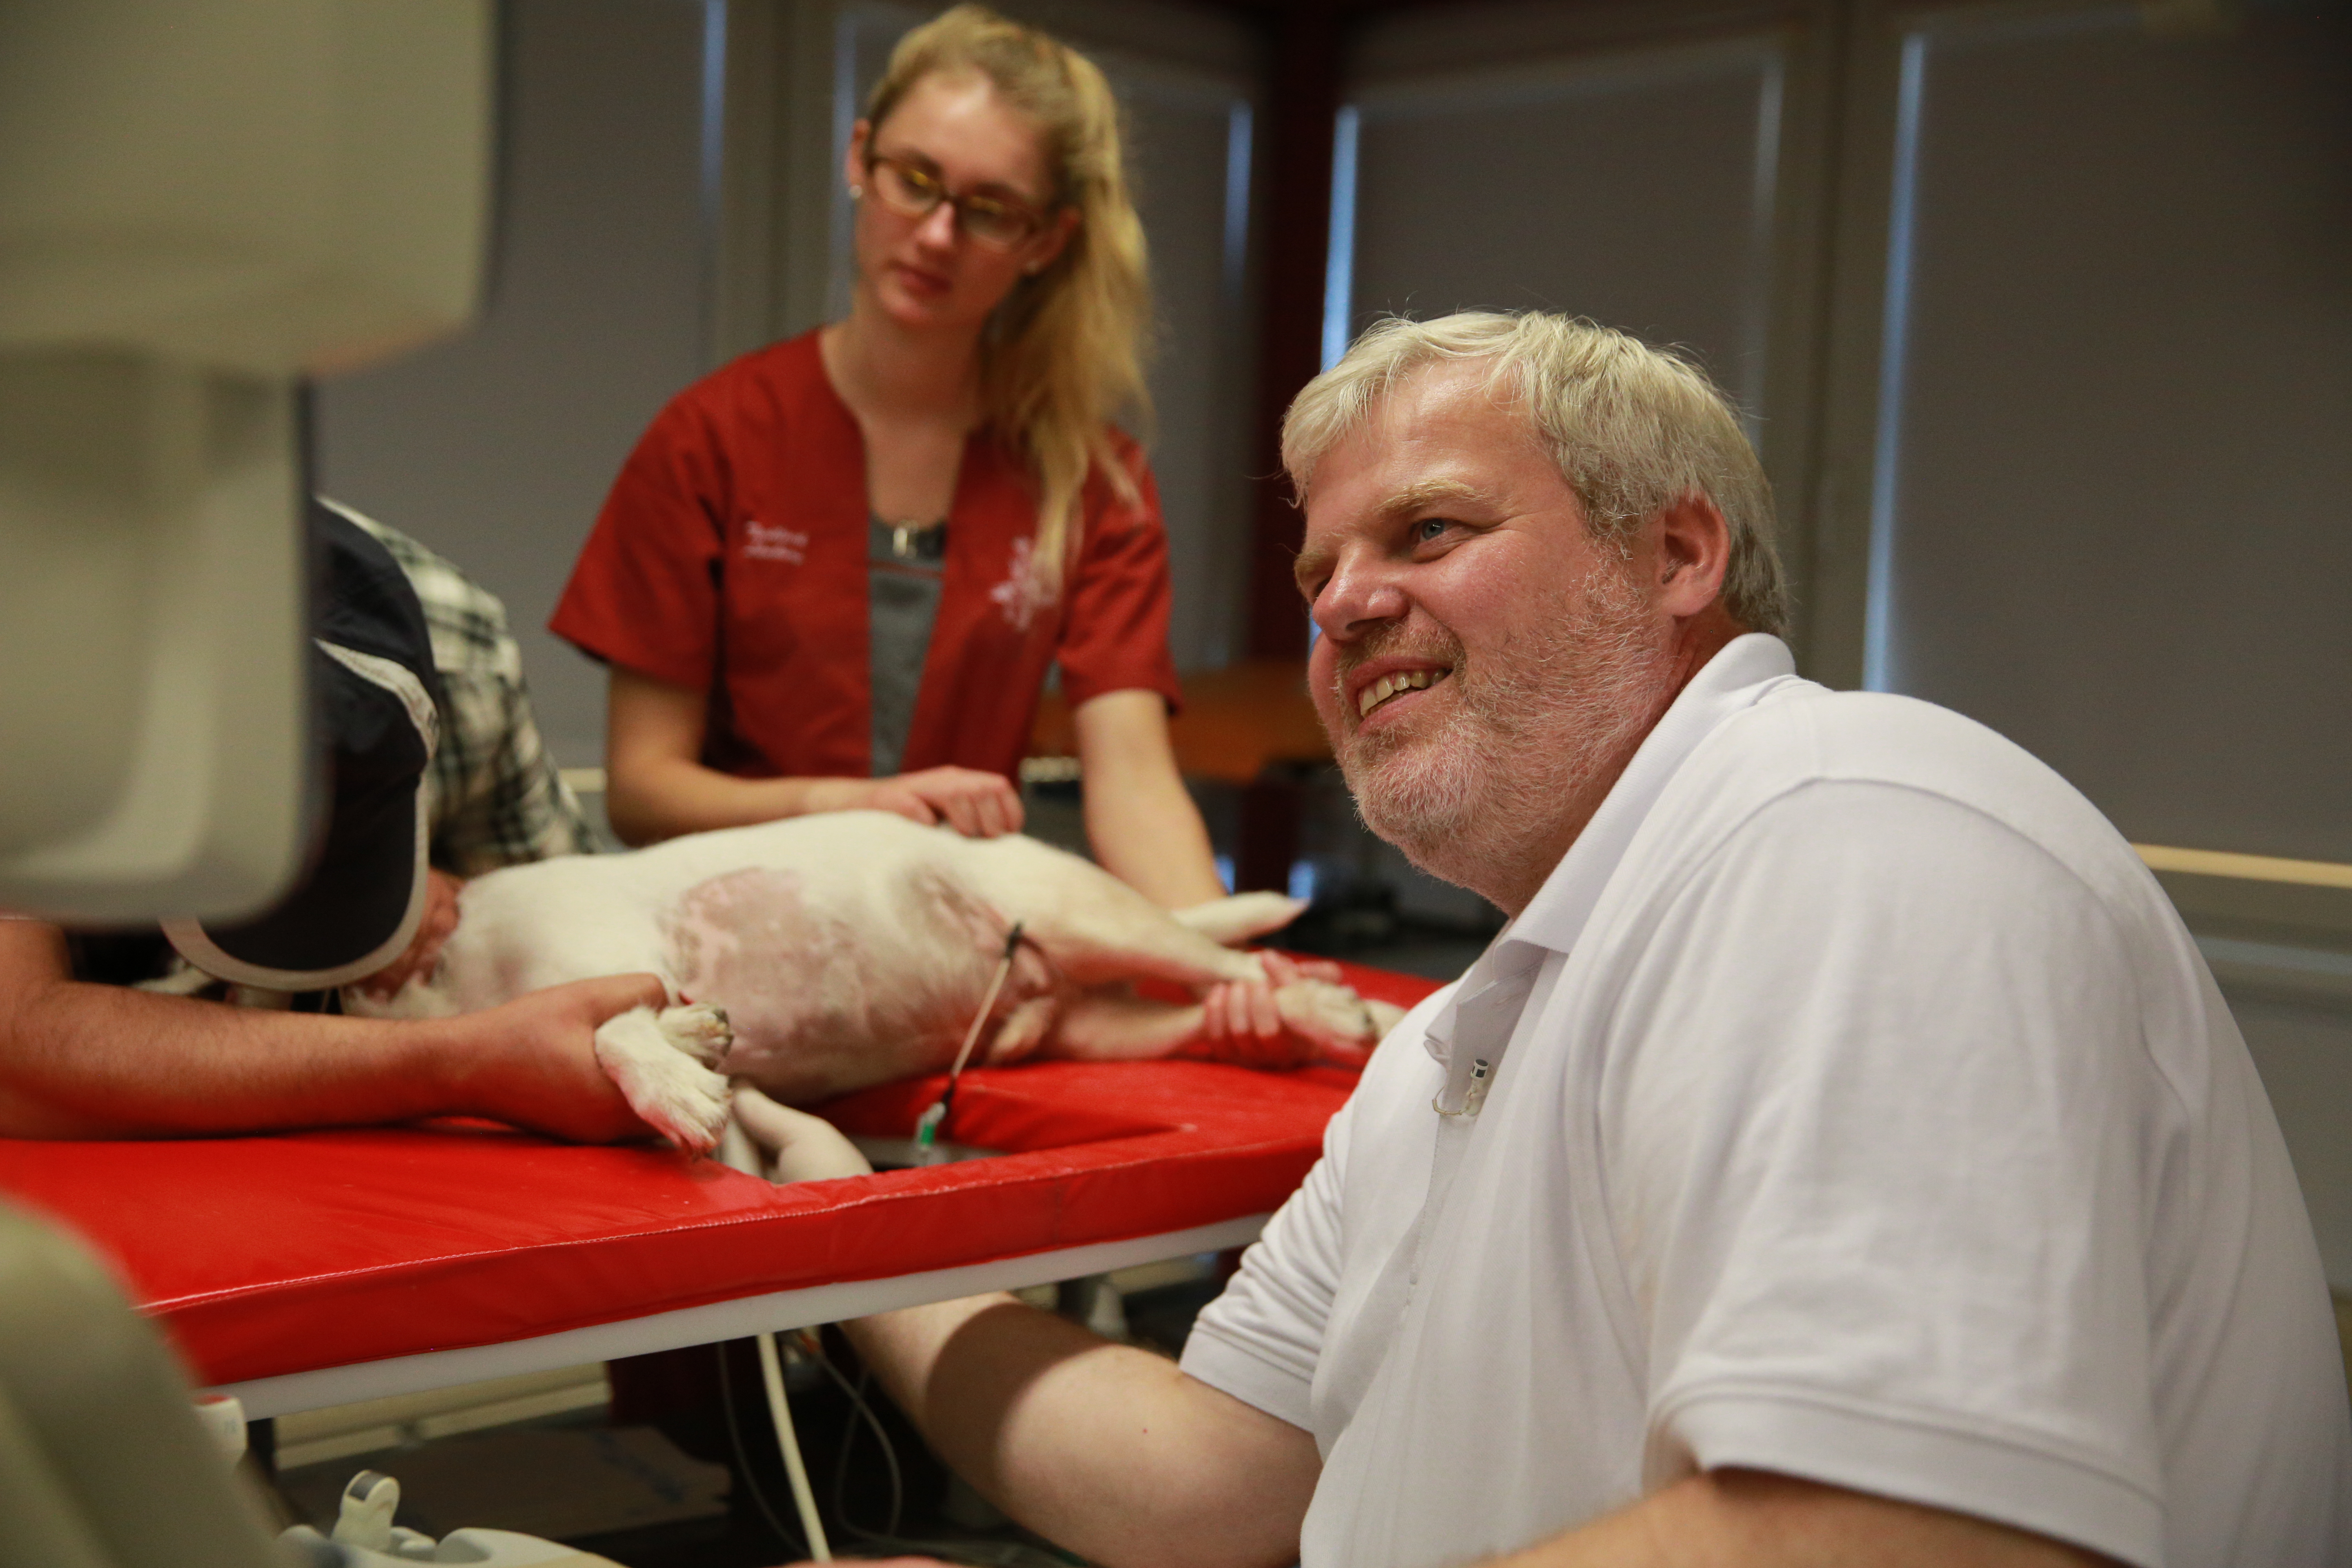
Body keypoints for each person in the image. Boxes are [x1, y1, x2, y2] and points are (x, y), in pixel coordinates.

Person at [756, 311, 2352, 1568]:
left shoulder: (1847, 835)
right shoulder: (1464, 1038)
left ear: (1676, 553)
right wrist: (835, 1230)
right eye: (1321, 569)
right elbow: (1210, 1479)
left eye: (1429, 533)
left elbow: (1909, 1537)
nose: (1342, 606)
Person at [549, 4, 1226, 914]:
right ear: (858, 159)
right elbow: (642, 789)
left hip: (954, 941)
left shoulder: (1091, 480)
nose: (939, 235)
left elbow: (1135, 786)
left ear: (1044, 242)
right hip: (731, 930)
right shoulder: (712, 439)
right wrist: (852, 810)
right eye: (916, 179)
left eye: (990, 211)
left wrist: (1223, 963)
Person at [0, 500, 652, 1143]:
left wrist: (457, 887)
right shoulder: (28, 659)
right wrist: (457, 1064)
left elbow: (575, 926)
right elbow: (14, 1060)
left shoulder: (461, 652)